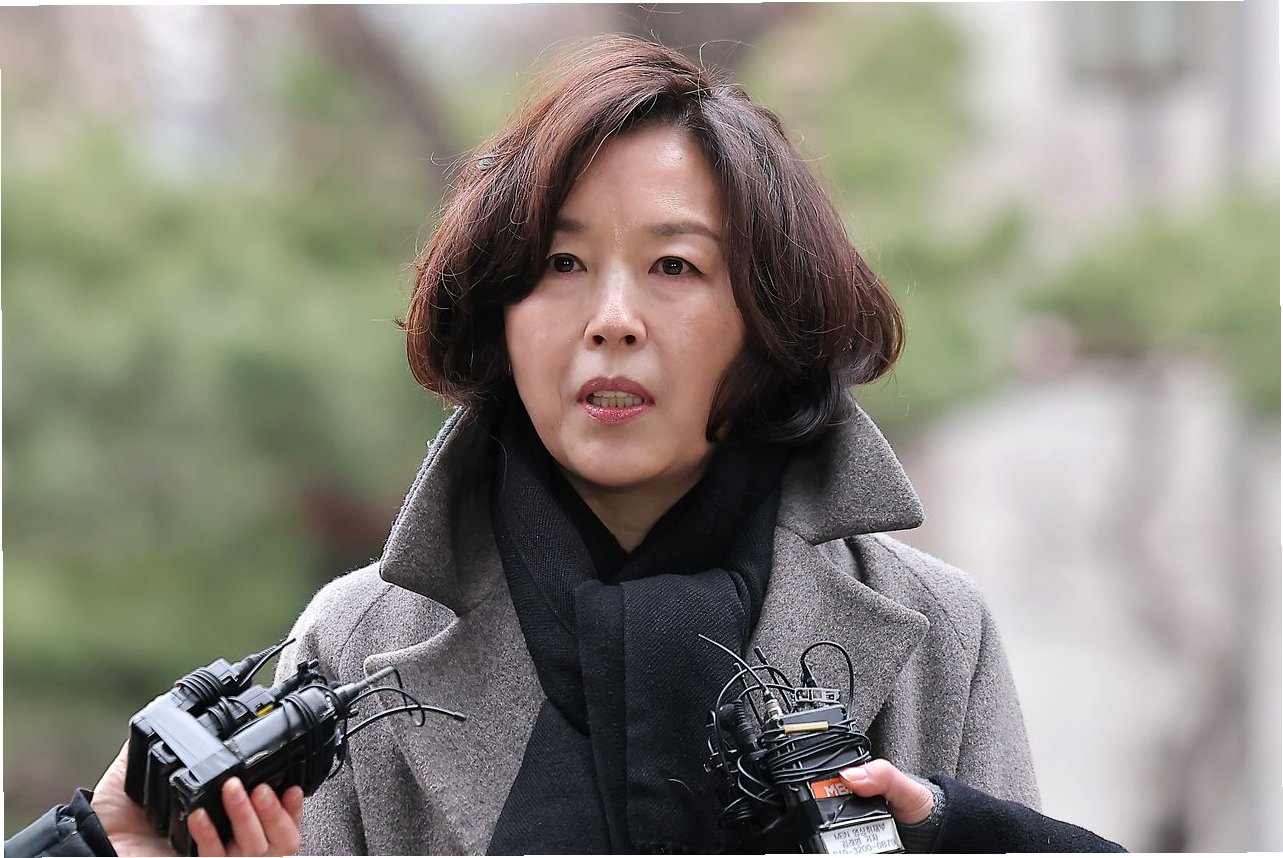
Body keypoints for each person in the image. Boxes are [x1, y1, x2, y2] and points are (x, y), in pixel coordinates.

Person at [46, 34, 1046, 856]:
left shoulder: (935, 630)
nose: (611, 319)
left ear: (765, 318)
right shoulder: (354, 645)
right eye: (560, 263)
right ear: (500, 311)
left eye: (673, 266)